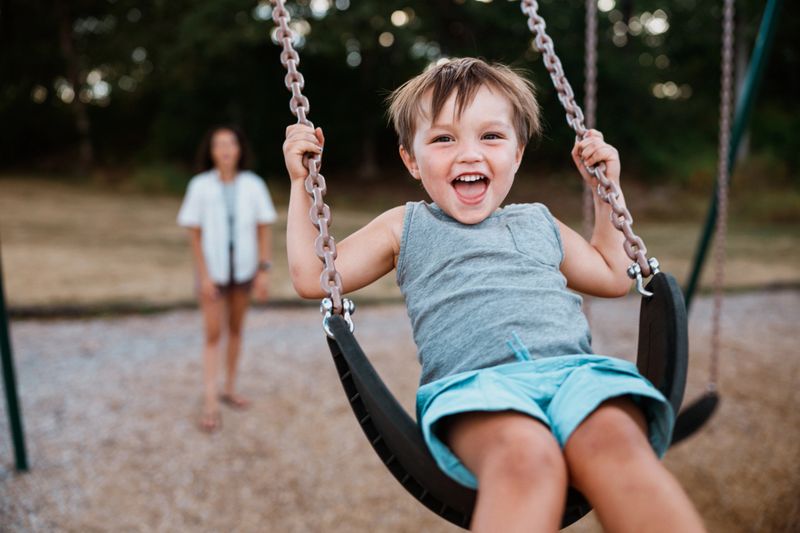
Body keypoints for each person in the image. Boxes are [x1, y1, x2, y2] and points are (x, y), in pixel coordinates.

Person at [283, 58, 705, 532]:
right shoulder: (406, 227)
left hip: (577, 376)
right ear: (411, 160)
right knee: (525, 459)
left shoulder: (539, 222)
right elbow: (313, 276)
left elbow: (612, 275)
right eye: (444, 139)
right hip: (475, 389)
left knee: (617, 444)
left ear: (518, 153)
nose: (469, 155)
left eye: (491, 136)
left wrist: (608, 193)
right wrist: (302, 185)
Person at [178, 125, 277, 433]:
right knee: (212, 334)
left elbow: (264, 228)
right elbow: (195, 235)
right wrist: (204, 276)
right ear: (211, 151)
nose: (224, 149)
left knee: (235, 329)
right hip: (214, 274)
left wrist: (263, 270)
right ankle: (210, 400)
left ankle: (229, 387)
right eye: (218, 144)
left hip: (244, 271)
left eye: (230, 143)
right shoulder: (199, 186)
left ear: (239, 149)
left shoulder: (253, 185)